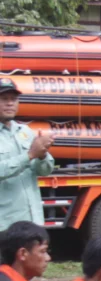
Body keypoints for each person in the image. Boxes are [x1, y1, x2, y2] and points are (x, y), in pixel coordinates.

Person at [0, 78, 54, 231]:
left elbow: (45, 171)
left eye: (14, 99)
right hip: (5, 224)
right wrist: (30, 155)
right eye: (4, 99)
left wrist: (43, 155)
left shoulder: (25, 132)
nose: (10, 103)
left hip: (32, 220)